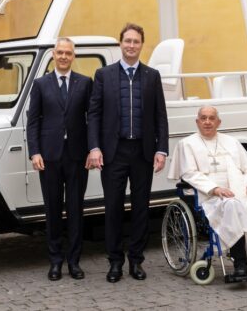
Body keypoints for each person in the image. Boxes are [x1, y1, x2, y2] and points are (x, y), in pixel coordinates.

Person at [86, 22, 168, 283]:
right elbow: (94, 114)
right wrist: (95, 147)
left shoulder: (152, 76)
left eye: (136, 41)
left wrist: (161, 149)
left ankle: (136, 260)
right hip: (114, 152)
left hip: (142, 152)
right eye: (127, 41)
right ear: (120, 44)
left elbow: (160, 116)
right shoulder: (103, 75)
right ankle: (115, 262)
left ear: (141, 45)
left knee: (141, 208)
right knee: (113, 208)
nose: (131, 45)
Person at [168, 106, 247, 281]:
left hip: (239, 192)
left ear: (218, 122)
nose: (207, 122)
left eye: (211, 118)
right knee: (232, 205)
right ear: (197, 121)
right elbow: (189, 174)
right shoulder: (187, 144)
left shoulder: (232, 142)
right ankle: (240, 263)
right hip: (211, 198)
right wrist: (215, 189)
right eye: (203, 118)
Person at [26, 37, 93, 281]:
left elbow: (92, 119)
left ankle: (74, 262)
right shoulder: (41, 84)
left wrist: (92, 149)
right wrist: (35, 152)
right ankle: (55, 261)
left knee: (76, 210)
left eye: (68, 53)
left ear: (73, 56)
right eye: (60, 52)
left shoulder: (85, 83)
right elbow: (33, 121)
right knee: (52, 210)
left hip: (77, 157)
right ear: (53, 55)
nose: (64, 56)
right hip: (50, 157)